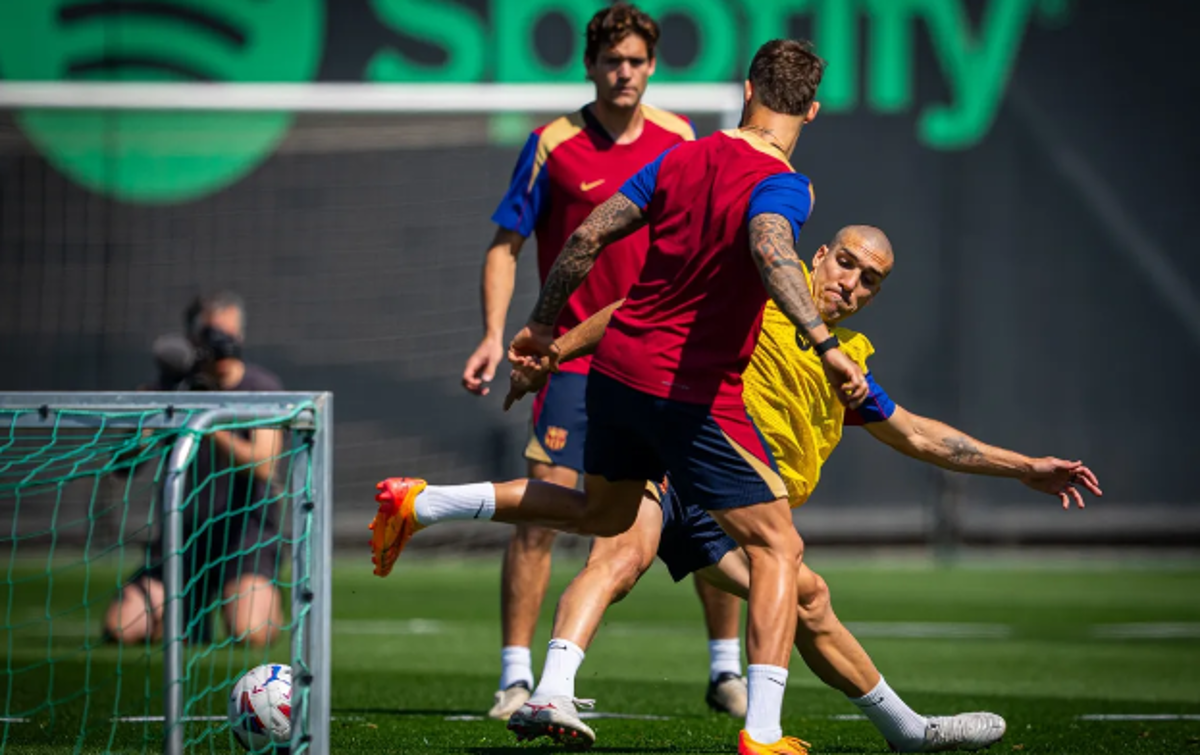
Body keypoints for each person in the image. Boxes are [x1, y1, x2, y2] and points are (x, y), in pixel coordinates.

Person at [371, 39, 868, 754]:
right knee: (777, 545)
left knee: (603, 515)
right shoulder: (786, 184)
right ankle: (761, 731)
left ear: (748, 87)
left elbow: (586, 237)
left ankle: (423, 503)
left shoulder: (679, 156)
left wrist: (545, 329)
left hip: (614, 372)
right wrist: (824, 341)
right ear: (812, 111)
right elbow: (770, 249)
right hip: (687, 389)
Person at [499, 225, 1103, 752]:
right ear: (818, 256)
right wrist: (555, 353)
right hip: (677, 454)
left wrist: (1023, 466)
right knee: (622, 554)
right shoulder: (751, 297)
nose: (851, 283)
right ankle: (553, 692)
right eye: (846, 262)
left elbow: (919, 435)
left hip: (728, 506)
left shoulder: (844, 364)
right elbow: (639, 309)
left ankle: (908, 731)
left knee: (808, 598)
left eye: (869, 280)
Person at [458, 1, 745, 720]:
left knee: (711, 508)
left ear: (653, 66)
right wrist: (493, 334)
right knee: (543, 513)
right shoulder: (552, 144)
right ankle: (515, 677)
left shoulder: (681, 138)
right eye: (612, 60)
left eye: (636, 61)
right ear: (590, 65)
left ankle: (725, 670)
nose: (625, 72)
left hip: (665, 357)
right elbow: (504, 247)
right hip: (573, 365)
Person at [103, 292, 287, 648]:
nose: (222, 344)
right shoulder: (173, 387)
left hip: (244, 540)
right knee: (123, 628)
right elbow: (124, 465)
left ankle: (258, 595)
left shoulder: (260, 388)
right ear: (193, 339)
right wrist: (149, 418)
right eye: (212, 335)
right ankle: (186, 612)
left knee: (250, 632)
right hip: (181, 539)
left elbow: (264, 465)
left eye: (228, 335)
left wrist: (204, 421)